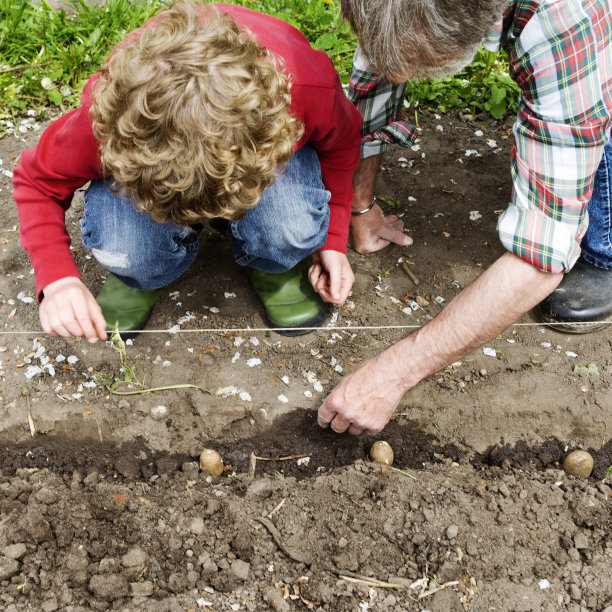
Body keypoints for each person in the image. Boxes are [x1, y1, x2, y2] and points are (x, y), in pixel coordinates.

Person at [318, 0, 612, 435]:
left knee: (595, 114)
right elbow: (374, 84)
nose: (401, 76)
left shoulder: (569, 19)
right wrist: (359, 205)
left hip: (590, 44)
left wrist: (393, 373)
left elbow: (543, 249)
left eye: (416, 61)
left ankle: (605, 249)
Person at [13, 1, 362, 341]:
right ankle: (143, 273)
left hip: (262, 131)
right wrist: (57, 280)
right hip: (159, 152)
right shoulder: (107, 125)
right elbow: (36, 182)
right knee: (129, 249)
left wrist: (332, 240)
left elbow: (341, 149)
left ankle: (274, 262)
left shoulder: (304, 93)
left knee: (290, 229)